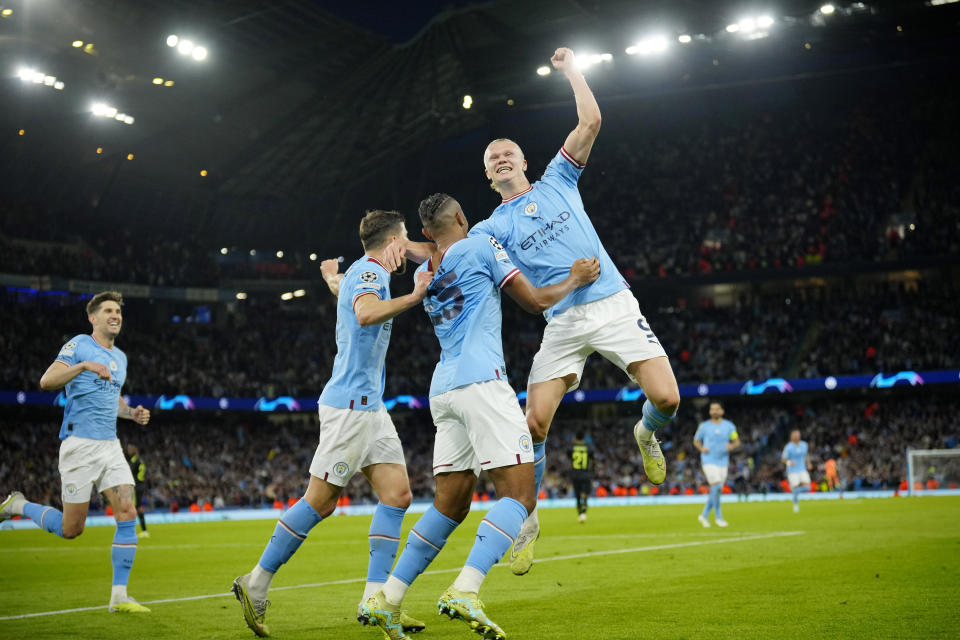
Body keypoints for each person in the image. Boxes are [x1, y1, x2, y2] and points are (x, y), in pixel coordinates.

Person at [385, 46, 679, 576]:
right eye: (491, 157)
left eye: (508, 152)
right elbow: (444, 251)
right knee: (534, 424)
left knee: (667, 398)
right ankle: (527, 518)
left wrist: (571, 70)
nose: (501, 158)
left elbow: (591, 119)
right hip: (562, 320)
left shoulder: (558, 181)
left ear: (523, 161)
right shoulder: (488, 230)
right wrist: (397, 249)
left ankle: (645, 432)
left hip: (611, 303)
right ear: (487, 174)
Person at [360, 193, 599, 640]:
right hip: (483, 384)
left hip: (444, 389)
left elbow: (435, 250)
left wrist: (417, 247)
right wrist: (574, 278)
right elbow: (533, 301)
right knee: (520, 496)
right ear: (464, 218)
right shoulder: (482, 245)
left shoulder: (424, 271)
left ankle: (387, 597)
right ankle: (466, 588)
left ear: (427, 233)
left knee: (450, 505)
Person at [231, 210, 432, 638]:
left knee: (397, 496)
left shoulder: (363, 272)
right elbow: (364, 313)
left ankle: (375, 601)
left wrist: (329, 280)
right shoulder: (371, 274)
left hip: (371, 408)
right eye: (406, 238)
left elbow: (350, 295)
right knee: (320, 502)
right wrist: (415, 297)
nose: (408, 245)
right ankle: (257, 581)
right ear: (395, 241)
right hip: (351, 408)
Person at [0, 291, 152, 613]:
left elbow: (114, 402)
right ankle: (19, 504)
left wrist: (131, 414)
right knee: (72, 529)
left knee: (127, 511)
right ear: (92, 318)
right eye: (108, 310)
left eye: (118, 311)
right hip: (79, 445)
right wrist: (83, 365)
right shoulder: (80, 345)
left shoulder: (121, 359)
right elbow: (46, 380)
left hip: (110, 445)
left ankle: (119, 596)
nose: (115, 315)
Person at [693, 401, 740, 527]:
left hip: (723, 461)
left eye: (717, 409)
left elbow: (736, 441)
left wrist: (732, 446)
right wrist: (702, 449)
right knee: (717, 486)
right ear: (709, 412)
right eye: (712, 409)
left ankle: (704, 515)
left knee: (716, 489)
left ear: (722, 411)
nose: (714, 411)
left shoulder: (729, 426)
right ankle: (719, 517)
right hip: (708, 460)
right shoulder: (704, 426)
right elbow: (696, 440)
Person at [781, 429, 812, 513]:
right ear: (791, 436)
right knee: (795, 486)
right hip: (792, 471)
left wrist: (808, 463)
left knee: (808, 487)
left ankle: (794, 490)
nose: (796, 436)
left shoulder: (804, 445)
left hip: (802, 469)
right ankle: (795, 505)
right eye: (795, 435)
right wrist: (789, 462)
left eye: (798, 435)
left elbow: (806, 455)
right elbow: (783, 459)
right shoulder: (788, 447)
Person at [569, 432, 594, 523]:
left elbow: (569, 456)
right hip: (586, 474)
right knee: (585, 494)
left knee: (578, 495)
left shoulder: (571, 447)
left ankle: (580, 514)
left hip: (575, 474)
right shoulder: (589, 447)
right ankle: (583, 513)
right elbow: (593, 459)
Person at [125, 444, 149, 537]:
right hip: (138, 486)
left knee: (134, 508)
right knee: (136, 507)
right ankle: (143, 531)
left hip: (136, 486)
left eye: (130, 448)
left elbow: (139, 475)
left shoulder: (135, 461)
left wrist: (135, 482)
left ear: (135, 449)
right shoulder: (136, 460)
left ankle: (135, 531)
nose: (129, 450)